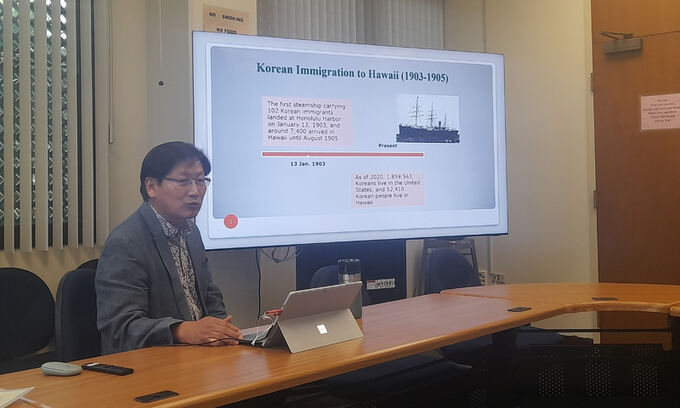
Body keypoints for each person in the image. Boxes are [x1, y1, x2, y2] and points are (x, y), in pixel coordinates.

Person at [96, 141, 242, 354]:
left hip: (198, 355)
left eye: (200, 181)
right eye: (183, 181)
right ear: (151, 187)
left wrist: (223, 332)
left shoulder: (191, 231)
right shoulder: (126, 241)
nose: (195, 191)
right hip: (149, 361)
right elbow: (120, 326)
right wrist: (181, 330)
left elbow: (210, 296)